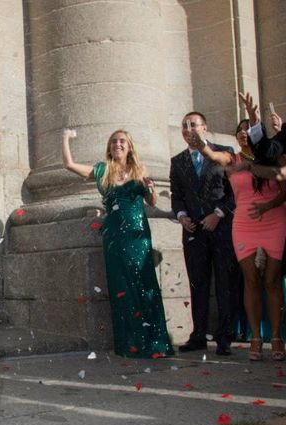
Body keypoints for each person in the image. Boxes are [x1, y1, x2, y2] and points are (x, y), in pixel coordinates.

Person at [62, 128, 174, 358]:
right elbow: (69, 165)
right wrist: (65, 138)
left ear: (129, 146)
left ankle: (155, 343)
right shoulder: (103, 170)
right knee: (121, 285)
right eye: (113, 141)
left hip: (138, 234)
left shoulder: (140, 170)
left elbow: (151, 202)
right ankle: (130, 344)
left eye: (122, 141)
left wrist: (152, 189)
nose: (118, 144)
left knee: (145, 283)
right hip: (114, 235)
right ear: (109, 147)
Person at [185, 115, 286, 361]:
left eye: (248, 129)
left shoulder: (274, 157)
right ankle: (255, 337)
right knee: (250, 280)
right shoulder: (233, 159)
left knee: (271, 281)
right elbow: (214, 156)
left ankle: (275, 337)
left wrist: (267, 206)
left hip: (274, 219)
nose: (243, 133)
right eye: (239, 130)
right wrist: (202, 145)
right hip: (244, 224)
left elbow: (285, 188)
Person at [169, 112, 241, 356]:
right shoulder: (177, 161)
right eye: (185, 125)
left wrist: (218, 213)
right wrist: (181, 216)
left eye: (194, 124)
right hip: (193, 232)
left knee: (224, 284)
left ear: (204, 128)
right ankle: (198, 335)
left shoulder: (224, 151)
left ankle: (224, 337)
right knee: (197, 283)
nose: (189, 128)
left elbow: (233, 192)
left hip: (220, 228)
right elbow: (177, 195)